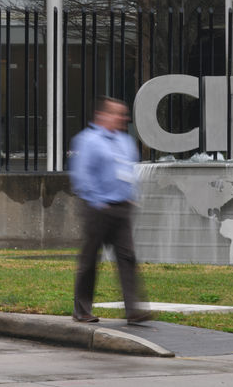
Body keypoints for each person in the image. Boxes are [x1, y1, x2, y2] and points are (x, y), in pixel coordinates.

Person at [68, 96, 151, 324]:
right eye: (117, 113)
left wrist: (131, 197)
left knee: (127, 258)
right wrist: (97, 201)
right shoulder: (88, 140)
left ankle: (133, 310)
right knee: (90, 260)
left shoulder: (125, 141)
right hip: (98, 208)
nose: (122, 118)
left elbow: (129, 171)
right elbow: (82, 175)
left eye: (123, 114)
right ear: (102, 116)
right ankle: (82, 309)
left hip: (122, 208)